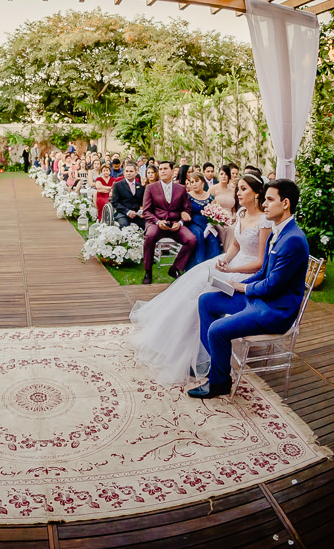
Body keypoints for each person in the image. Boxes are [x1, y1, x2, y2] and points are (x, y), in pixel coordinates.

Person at [129, 174, 272, 385]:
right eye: (238, 189)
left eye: (243, 189)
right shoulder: (242, 213)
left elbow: (261, 261)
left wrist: (233, 268)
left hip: (248, 272)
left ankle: (202, 356)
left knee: (204, 293)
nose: (238, 193)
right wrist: (225, 260)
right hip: (233, 262)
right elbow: (236, 245)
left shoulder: (264, 221)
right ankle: (177, 346)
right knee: (195, 280)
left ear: (256, 193)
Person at [189, 179, 310, 399]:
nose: (265, 204)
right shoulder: (278, 232)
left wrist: (242, 289)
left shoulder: (293, 239)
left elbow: (272, 286)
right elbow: (264, 271)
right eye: (264, 199)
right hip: (260, 299)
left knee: (217, 329)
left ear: (285, 203)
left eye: (270, 199)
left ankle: (219, 382)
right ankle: (217, 365)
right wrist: (236, 286)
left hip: (274, 310)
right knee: (206, 301)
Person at [141, 161, 197, 284]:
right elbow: (146, 211)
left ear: (173, 171)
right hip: (156, 223)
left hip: (175, 224)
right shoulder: (150, 188)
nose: (162, 171)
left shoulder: (181, 189)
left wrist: (181, 223)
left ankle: (175, 268)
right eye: (160, 169)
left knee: (191, 239)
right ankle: (148, 271)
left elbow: (187, 209)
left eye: (165, 169)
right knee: (149, 236)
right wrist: (157, 221)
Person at [184, 171, 222, 270]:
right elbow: (183, 211)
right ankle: (197, 267)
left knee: (213, 238)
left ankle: (213, 268)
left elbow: (214, 211)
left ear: (202, 183)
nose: (194, 184)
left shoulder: (210, 197)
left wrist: (213, 222)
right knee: (199, 235)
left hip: (207, 223)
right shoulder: (187, 196)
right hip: (193, 223)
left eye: (197, 181)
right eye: (192, 182)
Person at [110, 161, 144, 229]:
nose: (129, 173)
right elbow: (115, 202)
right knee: (124, 226)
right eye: (127, 171)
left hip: (137, 214)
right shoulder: (117, 185)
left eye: (131, 171)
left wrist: (142, 210)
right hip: (122, 213)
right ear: (124, 172)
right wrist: (127, 212)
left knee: (146, 225)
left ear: (136, 172)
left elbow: (142, 202)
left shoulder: (140, 187)